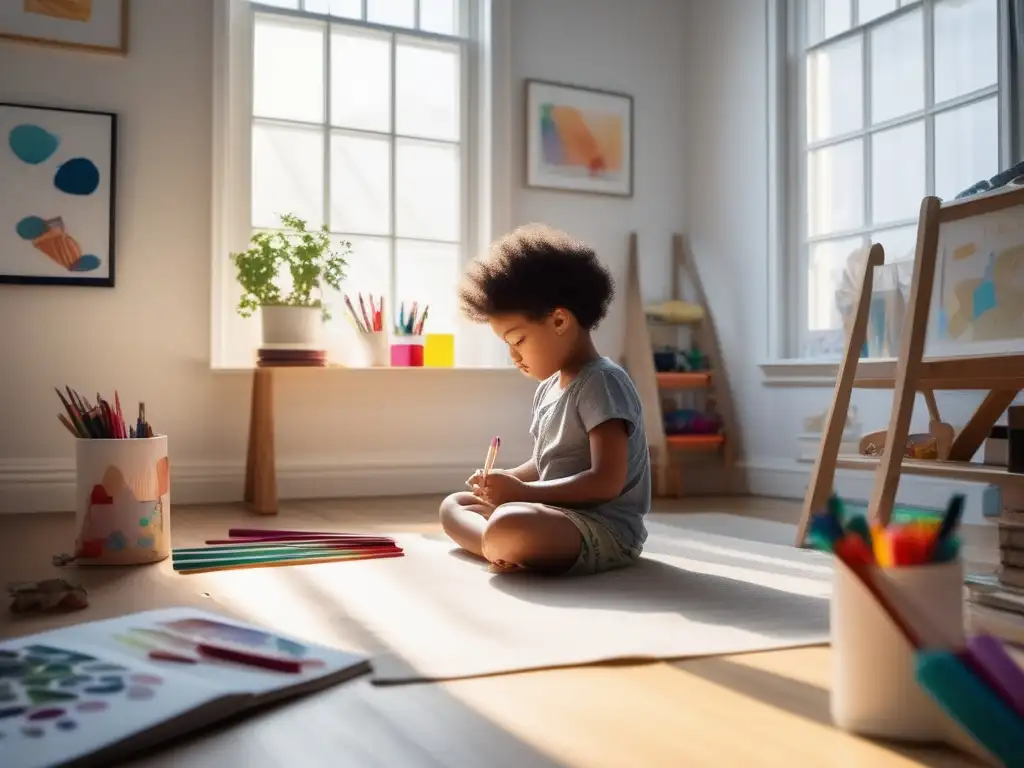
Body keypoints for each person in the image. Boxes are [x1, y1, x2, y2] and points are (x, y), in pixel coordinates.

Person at [439, 224, 651, 575]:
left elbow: (606, 481)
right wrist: (504, 481)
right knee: (455, 505)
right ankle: (501, 545)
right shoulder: (549, 387)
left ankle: (502, 541)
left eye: (517, 340)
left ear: (558, 320)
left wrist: (521, 493)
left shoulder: (603, 383)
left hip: (602, 529)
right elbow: (545, 463)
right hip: (554, 516)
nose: (513, 356)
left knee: (513, 521)